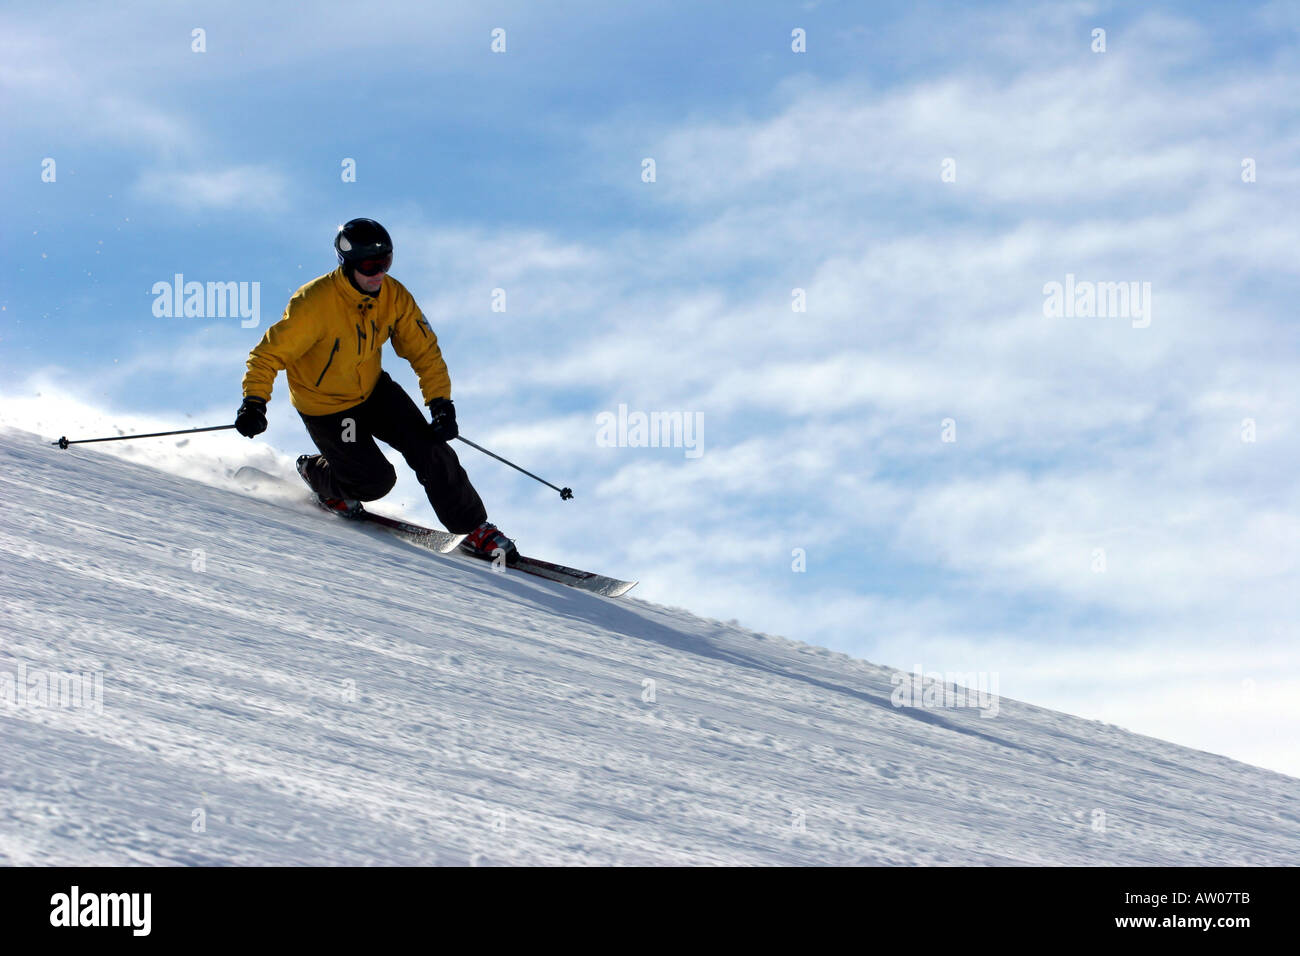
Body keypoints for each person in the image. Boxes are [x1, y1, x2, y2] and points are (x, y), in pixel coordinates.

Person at [234, 217, 517, 564]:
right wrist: (254, 402)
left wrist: (440, 402)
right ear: (348, 263)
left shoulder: (393, 296)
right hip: (328, 408)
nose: (378, 274)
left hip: (373, 391)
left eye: (385, 263)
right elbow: (267, 355)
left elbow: (424, 351)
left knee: (431, 449)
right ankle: (319, 473)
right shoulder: (314, 303)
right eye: (370, 265)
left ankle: (473, 528)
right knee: (376, 482)